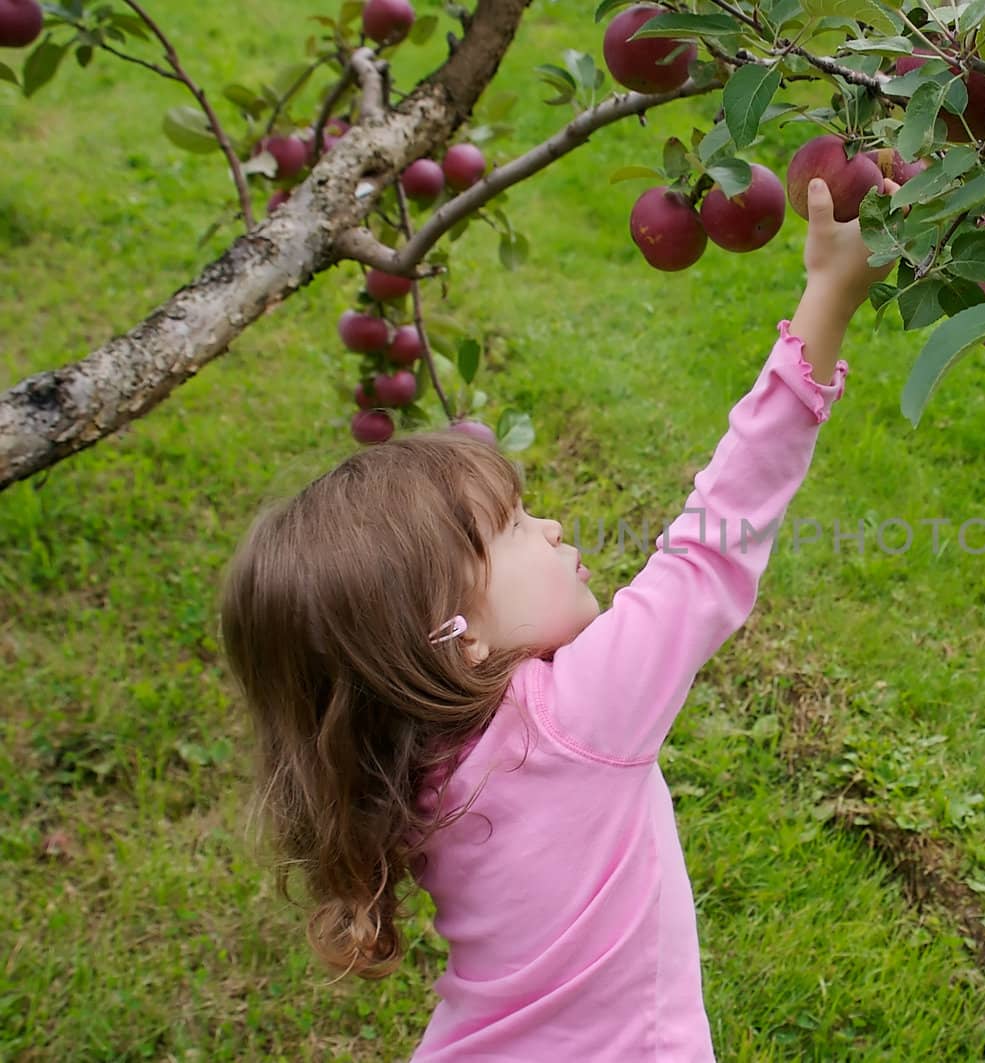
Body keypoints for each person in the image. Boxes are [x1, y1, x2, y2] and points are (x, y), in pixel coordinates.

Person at [219, 176, 897, 1060]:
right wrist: (827, 297)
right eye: (510, 528)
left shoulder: (408, 767)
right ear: (453, 637)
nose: (550, 525)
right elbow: (712, 542)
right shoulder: (574, 719)